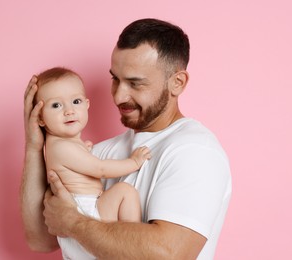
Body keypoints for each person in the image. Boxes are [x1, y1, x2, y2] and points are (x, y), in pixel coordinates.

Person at [21, 18, 232, 259]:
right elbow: (41, 239)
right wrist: (34, 147)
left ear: (177, 83)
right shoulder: (97, 152)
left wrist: (73, 222)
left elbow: (170, 255)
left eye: (135, 83)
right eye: (115, 79)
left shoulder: (194, 151)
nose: (119, 95)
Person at [32, 66, 151, 259]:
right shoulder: (62, 147)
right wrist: (133, 162)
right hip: (83, 211)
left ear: (87, 105)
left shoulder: (64, 145)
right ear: (40, 118)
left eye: (76, 101)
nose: (69, 111)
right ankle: (133, 240)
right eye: (56, 105)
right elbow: (100, 169)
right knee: (125, 191)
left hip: (81, 211)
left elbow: (75, 164)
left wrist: (83, 149)